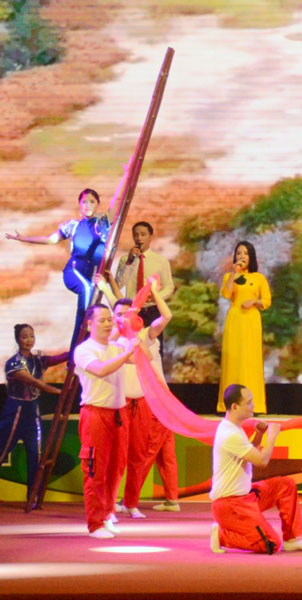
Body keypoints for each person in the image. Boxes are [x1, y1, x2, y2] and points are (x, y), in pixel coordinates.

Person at [6, 187, 125, 349]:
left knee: (90, 308)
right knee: (87, 291)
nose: (88, 205)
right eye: (84, 202)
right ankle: (84, 333)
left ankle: (79, 346)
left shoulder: (103, 224)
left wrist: (126, 176)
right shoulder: (73, 226)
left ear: (98, 204)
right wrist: (23, 238)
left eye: (92, 202)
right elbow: (50, 239)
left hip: (90, 278)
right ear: (79, 205)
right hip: (73, 272)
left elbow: (117, 200)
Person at [210, 384, 302, 554]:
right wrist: (272, 436)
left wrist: (259, 435)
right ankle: (222, 536)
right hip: (231, 505)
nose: (253, 406)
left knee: (286, 485)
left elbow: (247, 454)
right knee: (271, 544)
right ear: (235, 407)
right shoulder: (230, 434)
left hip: (245, 496)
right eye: (248, 402)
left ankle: (292, 539)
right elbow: (261, 461)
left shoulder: (233, 428)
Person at [110, 282, 179, 518]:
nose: (123, 318)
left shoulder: (143, 336)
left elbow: (166, 317)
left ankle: (131, 503)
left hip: (144, 403)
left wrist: (152, 290)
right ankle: (110, 502)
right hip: (119, 404)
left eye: (127, 314)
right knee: (117, 456)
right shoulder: (110, 341)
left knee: (140, 455)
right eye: (118, 315)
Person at [74, 304, 141, 538]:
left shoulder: (116, 348)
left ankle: (107, 515)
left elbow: (146, 358)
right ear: (90, 324)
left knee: (115, 469)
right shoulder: (84, 350)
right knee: (95, 471)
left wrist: (133, 334)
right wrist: (127, 352)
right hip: (95, 415)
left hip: (118, 414)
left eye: (110, 320)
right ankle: (95, 524)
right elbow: (101, 370)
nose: (107, 324)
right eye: (102, 320)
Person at [1, 325, 68, 503]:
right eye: (24, 337)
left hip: (33, 412)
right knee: (2, 451)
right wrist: (58, 391)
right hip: (16, 412)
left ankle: (33, 495)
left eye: (31, 336)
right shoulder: (14, 363)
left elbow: (59, 358)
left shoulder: (37, 360)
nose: (29, 340)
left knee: (35, 455)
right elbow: (35, 383)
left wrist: (76, 350)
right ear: (18, 339)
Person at [217, 241, 271, 413]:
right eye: (239, 253)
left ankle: (254, 404)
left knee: (250, 360)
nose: (241, 256)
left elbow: (267, 301)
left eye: (245, 253)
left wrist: (254, 301)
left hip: (251, 321)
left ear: (251, 257)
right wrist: (233, 273)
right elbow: (226, 294)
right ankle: (228, 404)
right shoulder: (229, 276)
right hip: (235, 320)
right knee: (233, 360)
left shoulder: (259, 278)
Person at [114, 221, 175, 358]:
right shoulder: (125, 260)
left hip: (152, 309)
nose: (139, 238)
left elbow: (169, 286)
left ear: (151, 237)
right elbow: (118, 284)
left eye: (143, 234)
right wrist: (129, 262)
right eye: (136, 235)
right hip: (132, 312)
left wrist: (156, 297)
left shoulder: (161, 261)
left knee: (154, 349)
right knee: (131, 348)